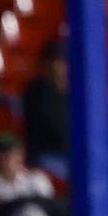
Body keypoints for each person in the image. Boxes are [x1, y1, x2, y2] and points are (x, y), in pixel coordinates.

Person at [22, 40, 71, 176]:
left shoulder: (75, 92)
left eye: (63, 61)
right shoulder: (36, 90)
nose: (61, 66)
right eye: (56, 61)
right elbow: (51, 126)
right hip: (47, 154)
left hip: (71, 153)